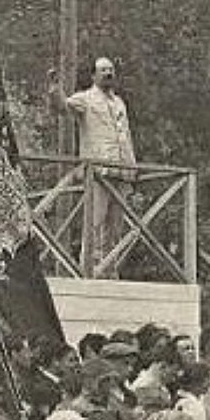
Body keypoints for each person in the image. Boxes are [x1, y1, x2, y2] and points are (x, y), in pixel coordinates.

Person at [57, 58, 136, 277]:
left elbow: (126, 136)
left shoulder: (119, 103)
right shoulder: (86, 99)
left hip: (121, 171)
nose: (108, 73)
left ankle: (110, 272)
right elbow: (62, 107)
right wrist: (55, 89)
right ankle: (88, 273)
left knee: (116, 228)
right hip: (99, 172)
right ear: (93, 75)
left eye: (111, 70)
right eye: (103, 70)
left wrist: (132, 168)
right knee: (94, 223)